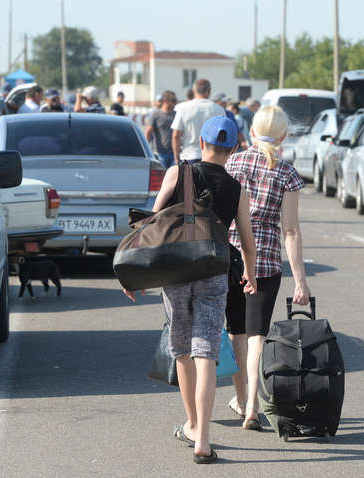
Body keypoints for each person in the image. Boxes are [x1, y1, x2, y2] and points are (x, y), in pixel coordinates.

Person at [124, 116, 258, 464]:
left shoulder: (177, 173)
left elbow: (151, 226)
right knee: (207, 351)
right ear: (233, 149)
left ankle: (195, 427)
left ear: (201, 143)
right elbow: (246, 240)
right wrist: (251, 274)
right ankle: (204, 441)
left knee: (182, 349)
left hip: (176, 271)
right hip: (214, 272)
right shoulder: (236, 187)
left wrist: (134, 276)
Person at [224, 105, 311, 430]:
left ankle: (243, 399)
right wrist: (300, 280)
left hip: (231, 256)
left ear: (251, 131)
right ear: (284, 135)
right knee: (258, 334)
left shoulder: (234, 162)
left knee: (236, 332)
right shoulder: (286, 173)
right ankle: (252, 407)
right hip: (266, 261)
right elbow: (290, 231)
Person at [171, 79, 225, 164]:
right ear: (209, 90)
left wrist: (176, 158)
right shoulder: (219, 110)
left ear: (193, 91)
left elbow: (176, 136)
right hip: (212, 157)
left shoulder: (183, 108)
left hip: (189, 155)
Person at [146, 90, 177, 168]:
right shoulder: (155, 115)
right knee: (161, 178)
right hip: (160, 154)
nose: (175, 103)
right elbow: (148, 133)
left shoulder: (176, 115)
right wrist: (146, 150)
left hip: (174, 153)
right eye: (173, 100)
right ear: (166, 101)